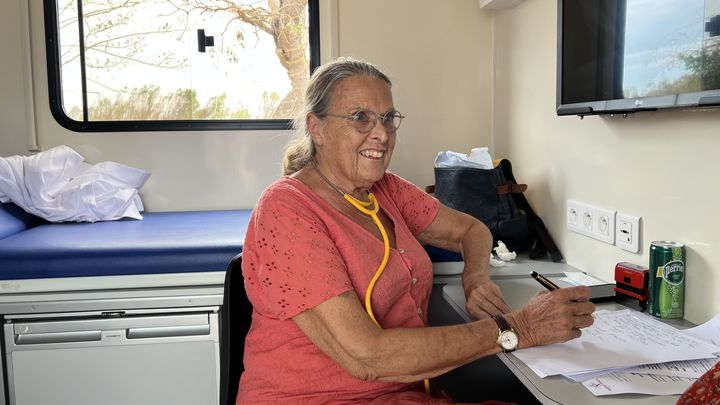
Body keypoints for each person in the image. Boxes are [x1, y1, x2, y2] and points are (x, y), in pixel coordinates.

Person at [238, 57, 595, 404]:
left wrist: (476, 279)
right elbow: (368, 358)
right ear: (317, 128)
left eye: (388, 118)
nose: (381, 134)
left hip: (405, 393)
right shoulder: (286, 210)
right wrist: (519, 328)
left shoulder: (386, 190)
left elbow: (470, 230)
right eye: (361, 118)